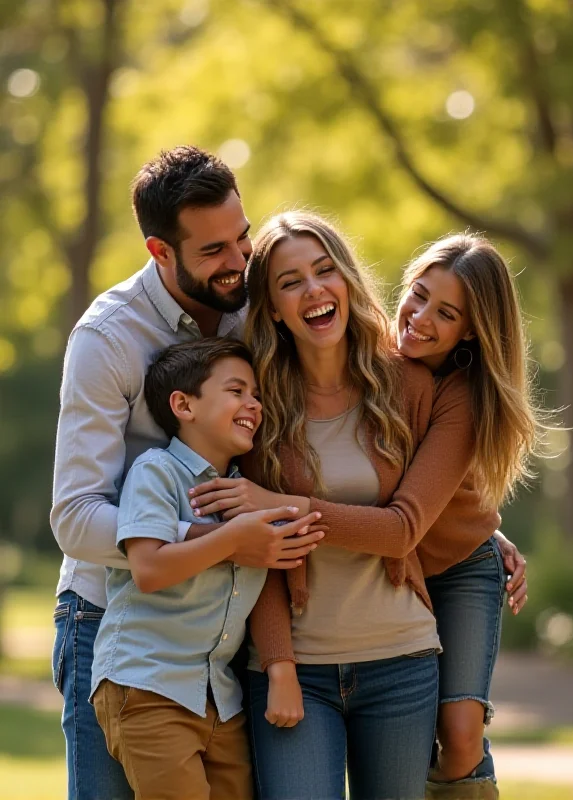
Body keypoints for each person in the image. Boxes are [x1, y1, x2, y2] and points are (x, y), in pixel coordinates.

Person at [50, 146, 321, 800]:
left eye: (243, 237)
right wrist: (209, 538)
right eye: (213, 252)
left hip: (212, 644)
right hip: (107, 623)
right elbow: (75, 515)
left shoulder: (257, 311)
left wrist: (470, 523)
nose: (238, 262)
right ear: (159, 251)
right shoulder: (107, 340)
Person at [190, 211, 480, 800]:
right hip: (301, 667)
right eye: (290, 281)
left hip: (400, 658)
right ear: (271, 306)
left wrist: (280, 503)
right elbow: (256, 547)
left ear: (346, 280)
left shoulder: (412, 387)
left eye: (325, 271)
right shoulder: (257, 400)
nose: (314, 289)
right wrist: (279, 665)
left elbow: (404, 531)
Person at [90, 337, 321, 800]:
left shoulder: (245, 490)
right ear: (183, 405)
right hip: (149, 685)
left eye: (256, 394)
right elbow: (148, 567)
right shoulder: (156, 471)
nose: (253, 404)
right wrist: (234, 539)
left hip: (220, 698)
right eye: (236, 391)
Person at [395, 234, 538, 799]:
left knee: (460, 735)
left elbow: (448, 493)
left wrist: (488, 534)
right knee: (405, 733)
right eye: (419, 294)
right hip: (389, 562)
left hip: (460, 568)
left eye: (446, 312)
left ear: (472, 330)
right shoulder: (370, 360)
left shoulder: (467, 392)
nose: (421, 317)